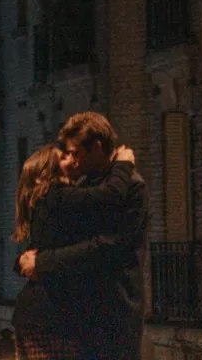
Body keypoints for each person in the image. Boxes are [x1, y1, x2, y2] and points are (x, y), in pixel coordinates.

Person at [18, 112, 149, 360]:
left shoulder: (130, 186)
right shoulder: (82, 186)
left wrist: (42, 262)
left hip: (114, 310)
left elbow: (109, 246)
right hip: (81, 313)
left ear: (97, 147)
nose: (73, 161)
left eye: (76, 153)